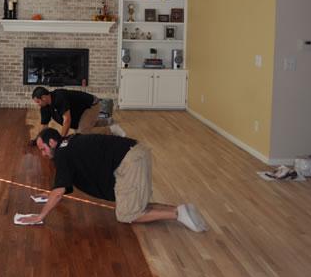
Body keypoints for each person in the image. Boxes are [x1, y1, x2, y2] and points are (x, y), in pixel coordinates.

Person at [17, 128, 208, 231]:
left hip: (130, 161)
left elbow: (59, 192)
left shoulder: (62, 155)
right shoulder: (69, 142)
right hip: (134, 154)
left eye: (43, 149)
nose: (43, 154)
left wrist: (40, 216)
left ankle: (177, 215)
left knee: (126, 215)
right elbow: (62, 186)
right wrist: (51, 192)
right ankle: (180, 209)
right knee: (133, 203)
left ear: (52, 142)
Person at [31, 86, 124, 138]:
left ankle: (112, 130)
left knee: (82, 135)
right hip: (79, 113)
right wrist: (37, 140)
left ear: (44, 97)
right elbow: (44, 126)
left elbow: (67, 120)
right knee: (83, 125)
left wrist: (61, 139)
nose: (37, 104)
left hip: (91, 105)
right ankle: (107, 121)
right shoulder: (44, 107)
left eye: (38, 102)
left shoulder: (59, 97)